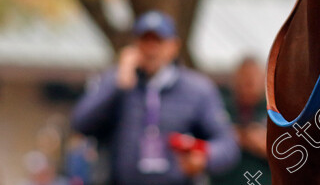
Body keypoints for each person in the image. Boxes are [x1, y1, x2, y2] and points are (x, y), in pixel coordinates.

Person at [71, 11, 240, 184]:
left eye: (158, 41)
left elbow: (227, 145)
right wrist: (117, 85)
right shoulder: (117, 82)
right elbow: (80, 122)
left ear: (174, 46)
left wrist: (205, 157)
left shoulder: (198, 89)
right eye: (145, 41)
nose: (151, 49)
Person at [211, 57, 270, 185]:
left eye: (253, 80)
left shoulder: (278, 112)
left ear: (264, 81)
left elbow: (294, 157)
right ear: (234, 80)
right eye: (244, 79)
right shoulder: (217, 106)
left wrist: (268, 146)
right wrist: (239, 136)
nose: (248, 85)